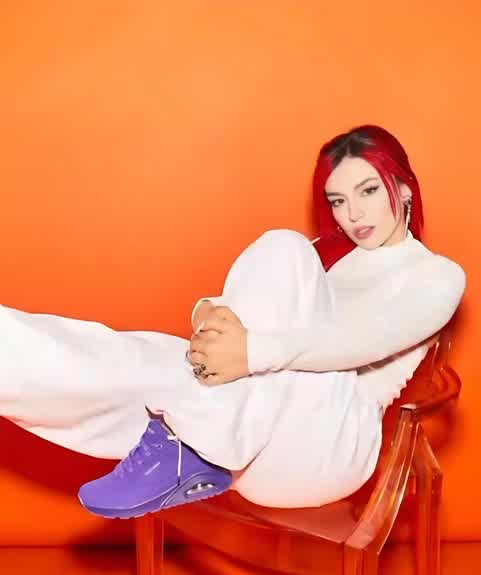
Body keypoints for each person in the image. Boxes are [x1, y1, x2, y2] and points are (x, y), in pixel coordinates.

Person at [1, 125, 465, 519]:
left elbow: (358, 342)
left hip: (326, 450)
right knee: (132, 357)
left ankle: (190, 443)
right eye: (338, 200)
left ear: (404, 187)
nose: (353, 214)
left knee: (283, 247)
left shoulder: (438, 275)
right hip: (251, 443)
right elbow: (252, 320)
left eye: (368, 191)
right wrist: (208, 313)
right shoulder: (329, 260)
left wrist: (248, 351)